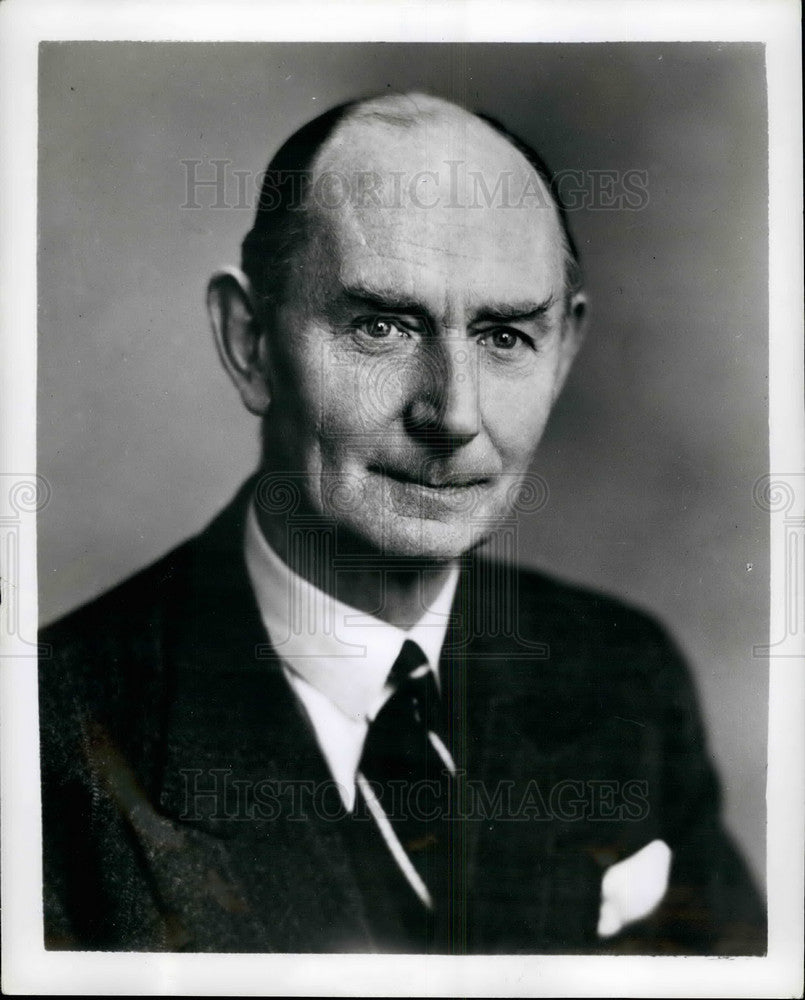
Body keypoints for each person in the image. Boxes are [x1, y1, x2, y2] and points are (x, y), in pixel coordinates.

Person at [38, 92, 765, 954]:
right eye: (380, 325)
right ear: (249, 343)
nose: (452, 414)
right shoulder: (45, 740)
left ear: (564, 350)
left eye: (503, 337)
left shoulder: (622, 678)